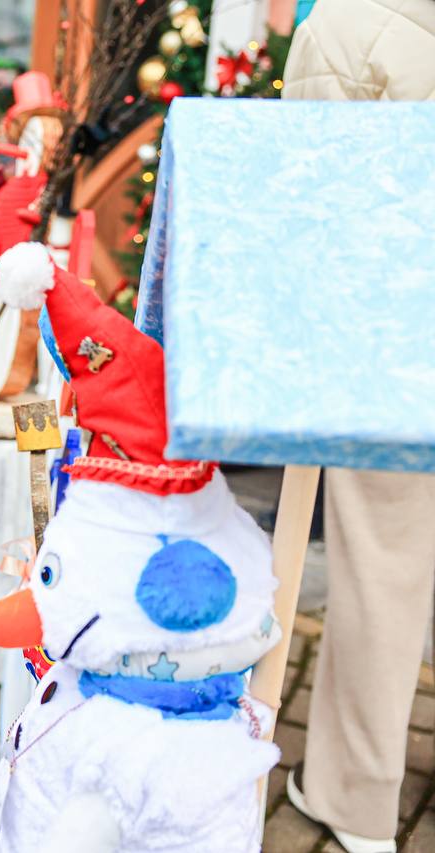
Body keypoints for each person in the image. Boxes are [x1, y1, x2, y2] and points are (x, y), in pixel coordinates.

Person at [281, 3, 435, 852]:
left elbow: (316, 205)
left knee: (383, 565)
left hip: (394, 334)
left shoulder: (344, 22)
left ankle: (359, 796)